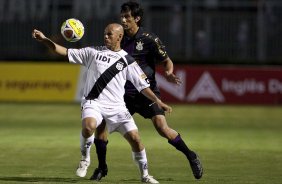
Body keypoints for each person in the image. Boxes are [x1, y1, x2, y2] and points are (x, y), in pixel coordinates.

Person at [32, 23, 173, 183]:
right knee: (89, 126)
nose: (105, 36)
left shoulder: (128, 61)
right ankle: (85, 159)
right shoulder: (93, 52)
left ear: (119, 37)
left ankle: (145, 175)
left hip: (118, 108)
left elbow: (143, 86)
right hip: (94, 103)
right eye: (105, 33)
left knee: (135, 139)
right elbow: (64, 51)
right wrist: (44, 40)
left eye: (110, 34)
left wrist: (158, 101)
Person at [89, 1, 204, 182]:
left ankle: (191, 156)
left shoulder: (149, 38)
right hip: (123, 95)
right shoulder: (119, 37)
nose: (123, 20)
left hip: (146, 91)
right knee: (101, 127)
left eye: (127, 17)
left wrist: (168, 72)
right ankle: (102, 168)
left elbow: (166, 60)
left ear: (137, 18)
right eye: (122, 16)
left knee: (162, 127)